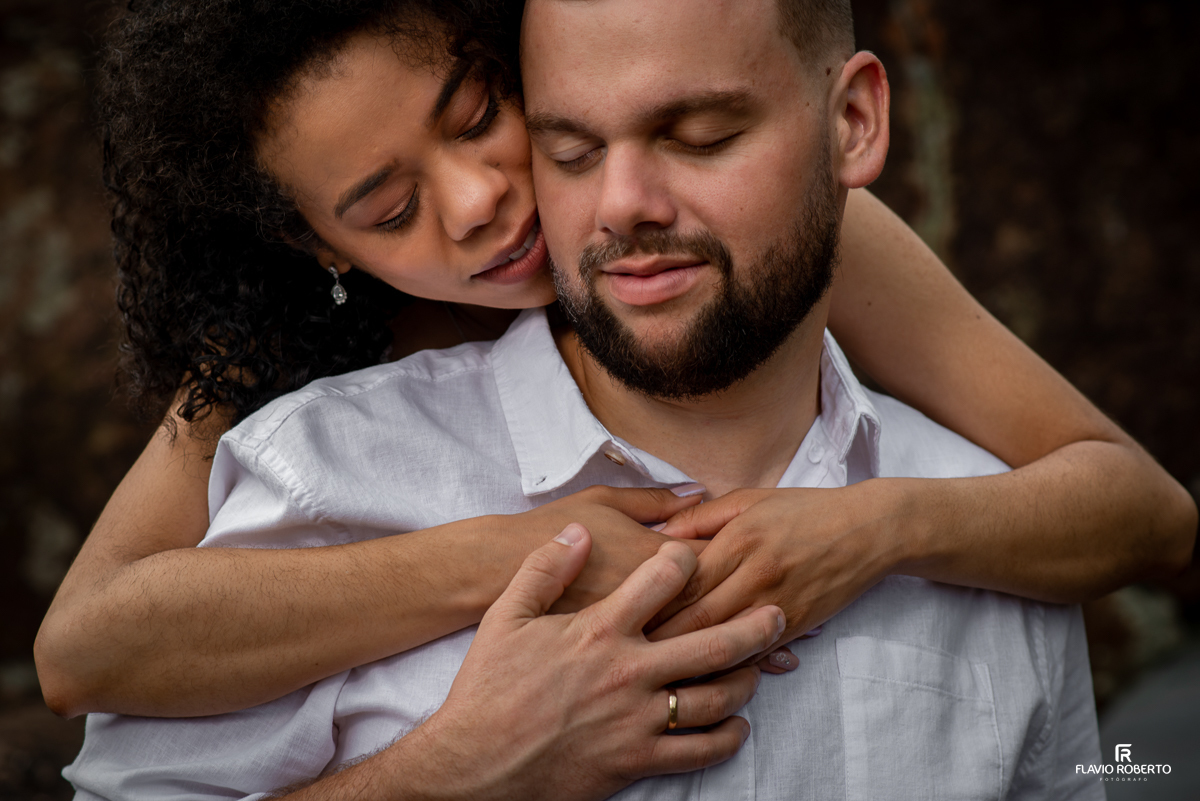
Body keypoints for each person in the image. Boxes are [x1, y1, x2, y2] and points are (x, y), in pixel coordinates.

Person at [64, 0, 1151, 796]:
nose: (484, 198)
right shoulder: (303, 385)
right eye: (392, 210)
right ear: (322, 247)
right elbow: (87, 651)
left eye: (483, 113)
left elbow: (1138, 511)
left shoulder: (778, 227)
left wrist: (873, 529)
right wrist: (520, 567)